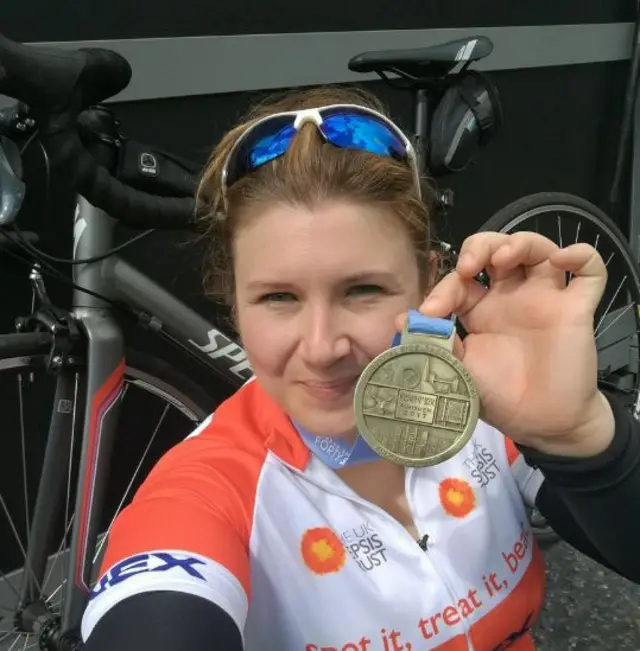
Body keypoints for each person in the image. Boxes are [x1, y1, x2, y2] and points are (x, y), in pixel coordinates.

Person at [81, 86, 640, 651]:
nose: (322, 347)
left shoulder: (483, 408)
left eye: (364, 290)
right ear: (233, 303)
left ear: (428, 283)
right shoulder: (207, 489)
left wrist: (579, 436)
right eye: (278, 298)